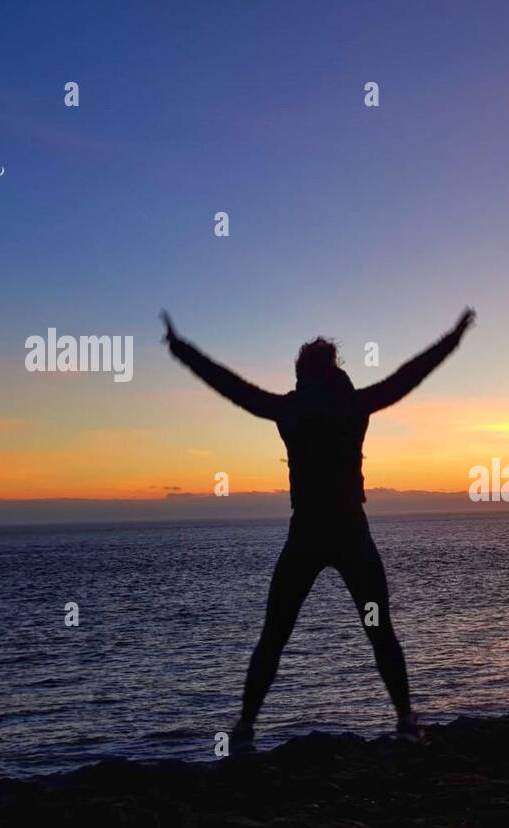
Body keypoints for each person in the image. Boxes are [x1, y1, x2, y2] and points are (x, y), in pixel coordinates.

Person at [161, 307, 476, 742]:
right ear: (333, 368)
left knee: (275, 635)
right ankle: (405, 722)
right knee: (378, 630)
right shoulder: (353, 404)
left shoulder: (289, 409)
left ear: (302, 373)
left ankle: (245, 729)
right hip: (349, 532)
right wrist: (452, 339)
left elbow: (231, 386)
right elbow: (408, 377)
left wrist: (182, 349)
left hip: (308, 535)